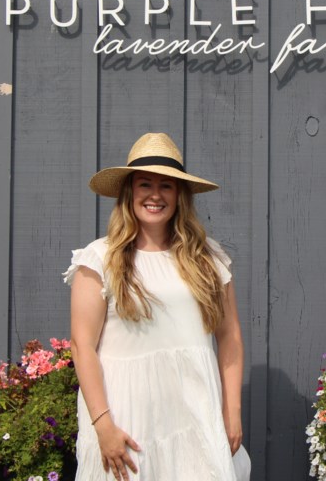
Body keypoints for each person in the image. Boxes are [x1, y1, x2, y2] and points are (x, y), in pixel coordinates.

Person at [64, 133, 251, 481]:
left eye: (166, 186)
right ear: (128, 192)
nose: (155, 195)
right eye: (145, 184)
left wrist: (232, 411)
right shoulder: (100, 258)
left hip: (194, 411)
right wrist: (103, 426)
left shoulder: (207, 258)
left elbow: (231, 338)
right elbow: (82, 346)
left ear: (180, 195)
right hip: (126, 414)